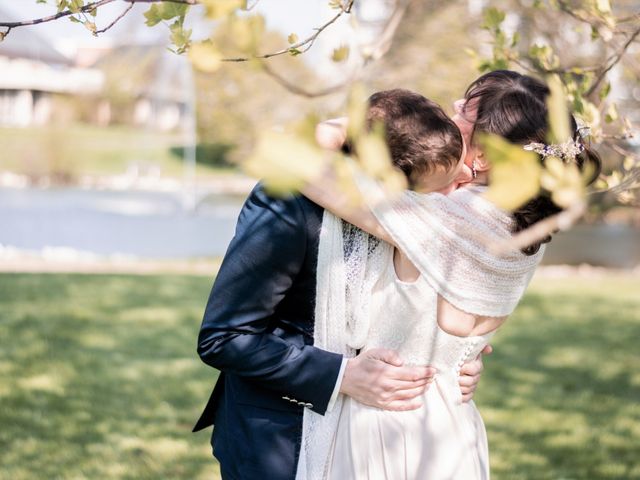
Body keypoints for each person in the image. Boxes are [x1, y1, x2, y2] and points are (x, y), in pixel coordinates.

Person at [298, 71, 601, 479]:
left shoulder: (446, 221)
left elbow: (303, 162)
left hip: (389, 424)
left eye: (464, 111)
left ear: (485, 158)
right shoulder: (526, 228)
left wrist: (365, 123)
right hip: (452, 426)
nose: (451, 110)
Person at [193, 92, 488, 479]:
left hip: (383, 446)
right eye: (441, 187)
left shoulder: (421, 198)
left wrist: (460, 355)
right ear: (389, 182)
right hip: (280, 441)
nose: (459, 188)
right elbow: (225, 336)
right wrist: (342, 376)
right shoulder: (287, 203)